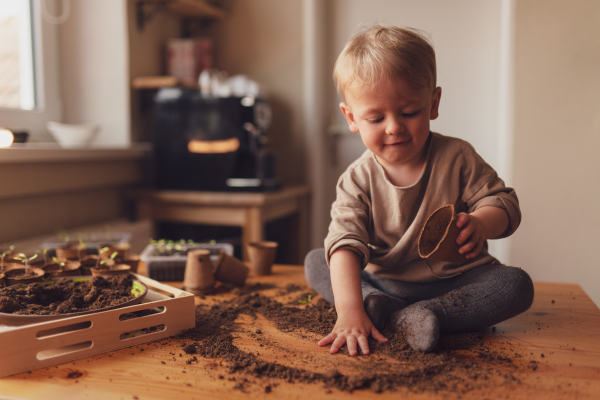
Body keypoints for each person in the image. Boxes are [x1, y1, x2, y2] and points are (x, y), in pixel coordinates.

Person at [304, 23, 534, 356]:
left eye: (409, 112)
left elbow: (503, 203)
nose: (394, 127)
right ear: (351, 118)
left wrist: (482, 222)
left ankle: (424, 315)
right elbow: (345, 243)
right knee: (318, 261)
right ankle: (370, 304)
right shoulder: (356, 179)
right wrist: (349, 312)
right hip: (385, 281)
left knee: (516, 285)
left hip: (455, 282)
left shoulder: (457, 157)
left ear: (433, 103)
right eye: (375, 118)